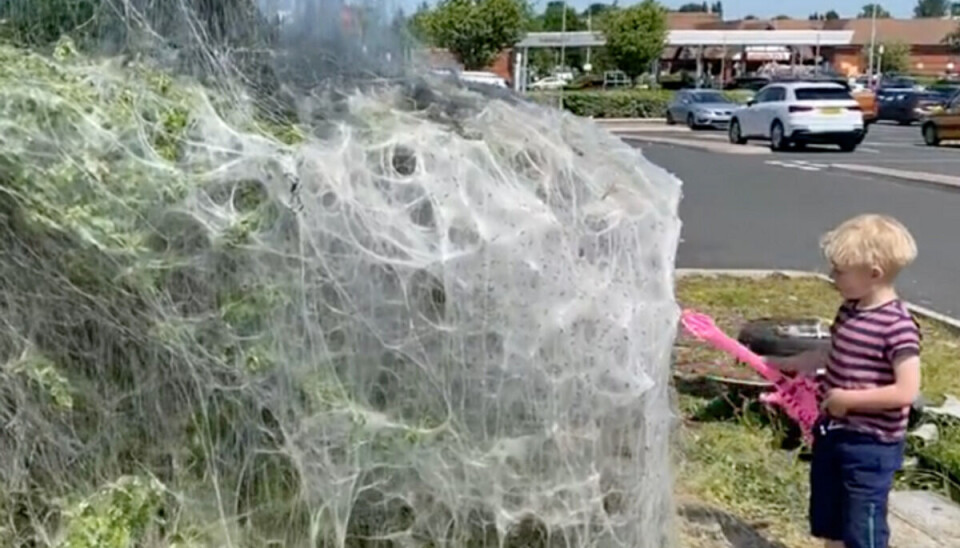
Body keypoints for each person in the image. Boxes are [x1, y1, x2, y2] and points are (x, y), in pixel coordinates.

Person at [768, 214, 921, 548]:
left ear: (873, 274)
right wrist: (794, 364)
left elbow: (906, 390)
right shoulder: (850, 310)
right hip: (834, 432)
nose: (832, 276)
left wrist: (848, 401)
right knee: (830, 515)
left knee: (861, 521)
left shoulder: (898, 327)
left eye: (839, 270)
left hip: (871, 445)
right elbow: (833, 351)